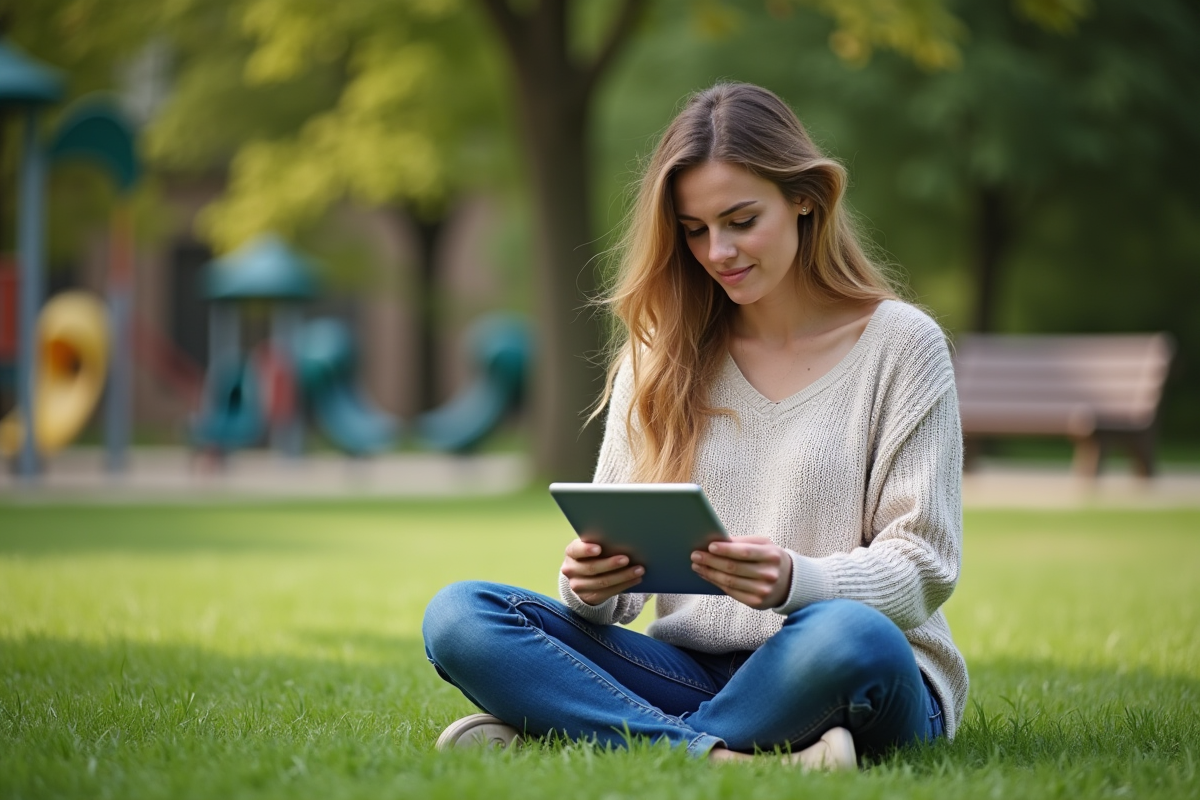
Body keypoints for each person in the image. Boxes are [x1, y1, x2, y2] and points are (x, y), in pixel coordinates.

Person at [423, 82, 967, 769]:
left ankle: (592, 731)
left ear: (805, 198)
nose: (718, 252)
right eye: (695, 230)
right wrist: (593, 587)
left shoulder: (901, 345)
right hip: (687, 670)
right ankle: (722, 755)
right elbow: (616, 581)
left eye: (741, 220)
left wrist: (795, 580)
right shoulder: (659, 354)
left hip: (842, 666)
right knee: (459, 615)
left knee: (854, 635)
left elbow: (924, 566)